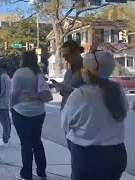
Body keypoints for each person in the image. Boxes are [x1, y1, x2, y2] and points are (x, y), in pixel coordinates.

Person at [61, 51, 128, 180]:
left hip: (87, 157)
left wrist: (67, 96)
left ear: (92, 69)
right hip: (116, 155)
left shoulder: (80, 94)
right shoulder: (118, 91)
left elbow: (65, 123)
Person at [10, 51, 48, 180]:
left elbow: (14, 93)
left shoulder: (19, 73)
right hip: (38, 111)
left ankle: (26, 174)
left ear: (23, 60)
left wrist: (12, 105)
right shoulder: (38, 73)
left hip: (21, 111)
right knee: (37, 141)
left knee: (25, 143)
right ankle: (41, 172)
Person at [58, 40, 85, 111]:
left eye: (67, 56)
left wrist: (72, 90)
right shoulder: (69, 71)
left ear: (76, 53)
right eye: (64, 56)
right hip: (66, 111)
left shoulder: (87, 69)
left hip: (80, 112)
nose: (66, 59)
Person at [0, 61, 12, 146]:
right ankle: (7, 136)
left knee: (4, 121)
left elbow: (2, 90)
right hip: (7, 100)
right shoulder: (7, 77)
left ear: (1, 68)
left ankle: (5, 138)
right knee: (7, 120)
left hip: (2, 101)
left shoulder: (2, 77)